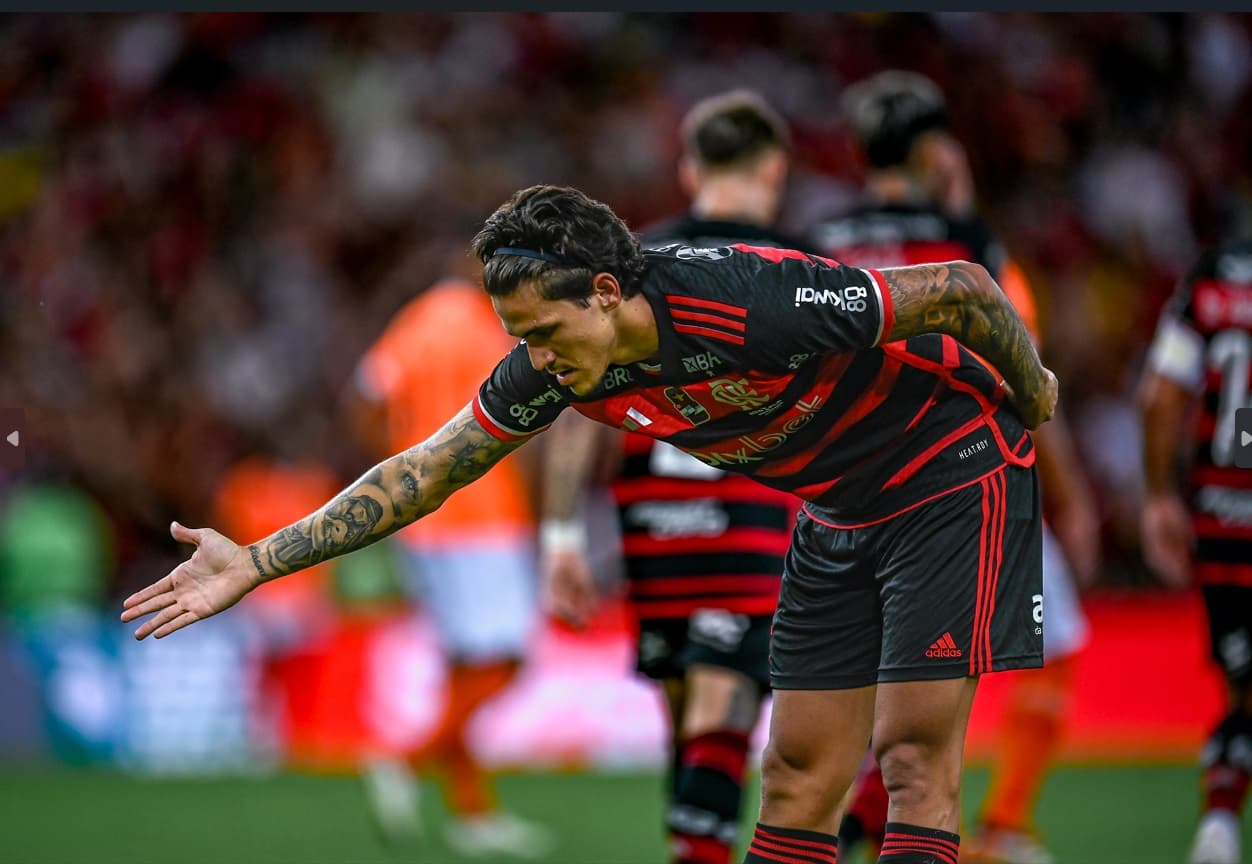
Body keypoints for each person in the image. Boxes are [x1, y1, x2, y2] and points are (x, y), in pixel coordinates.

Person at [122, 183, 1057, 864]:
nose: (532, 359)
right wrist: (257, 559)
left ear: (606, 293)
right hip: (838, 507)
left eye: (544, 333)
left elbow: (964, 291)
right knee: (797, 774)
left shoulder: (742, 300)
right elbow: (423, 472)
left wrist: (1037, 394)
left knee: (908, 761)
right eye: (518, 336)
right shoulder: (565, 364)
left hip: (950, 467)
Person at [809, 70, 1098, 864]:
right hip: (961, 476)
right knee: (1050, 647)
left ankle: (862, 821)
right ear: (937, 147)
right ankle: (998, 824)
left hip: (846, 489)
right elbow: (1020, 374)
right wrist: (1068, 496)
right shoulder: (965, 243)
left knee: (875, 678)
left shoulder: (818, 240)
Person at [539, 90, 808, 864]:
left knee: (690, 728)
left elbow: (567, 399)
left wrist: (560, 536)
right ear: (775, 170)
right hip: (749, 522)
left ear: (690, 170)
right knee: (719, 720)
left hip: (653, 524)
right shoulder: (795, 267)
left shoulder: (628, 271)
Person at [347, 256, 555, 860]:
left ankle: (473, 813)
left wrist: (394, 465)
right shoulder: (492, 326)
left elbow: (363, 399)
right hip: (485, 517)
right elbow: (524, 422)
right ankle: (406, 761)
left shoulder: (412, 325)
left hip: (422, 516)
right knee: (509, 661)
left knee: (464, 665)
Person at [1139, 237, 1252, 864]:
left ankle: (1219, 822)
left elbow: (1160, 394)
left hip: (1225, 519)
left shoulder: (1215, 279)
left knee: (1241, 689)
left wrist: (1160, 496)